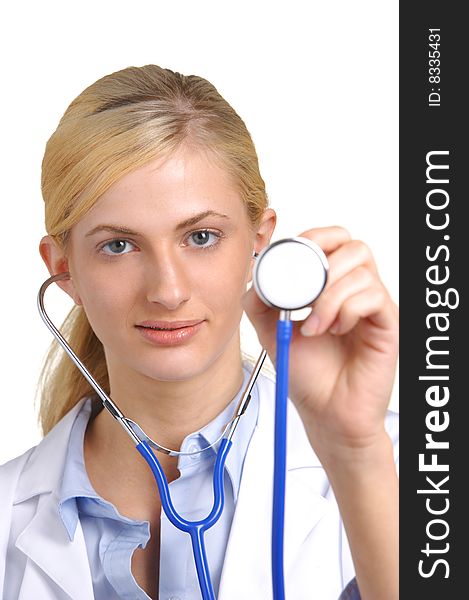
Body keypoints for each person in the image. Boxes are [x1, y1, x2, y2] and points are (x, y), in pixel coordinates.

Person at [0, 64, 399, 600]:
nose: (167, 290)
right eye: (119, 245)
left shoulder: (402, 461)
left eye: (202, 236)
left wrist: (354, 452)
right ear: (63, 268)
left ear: (259, 243)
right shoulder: (9, 515)